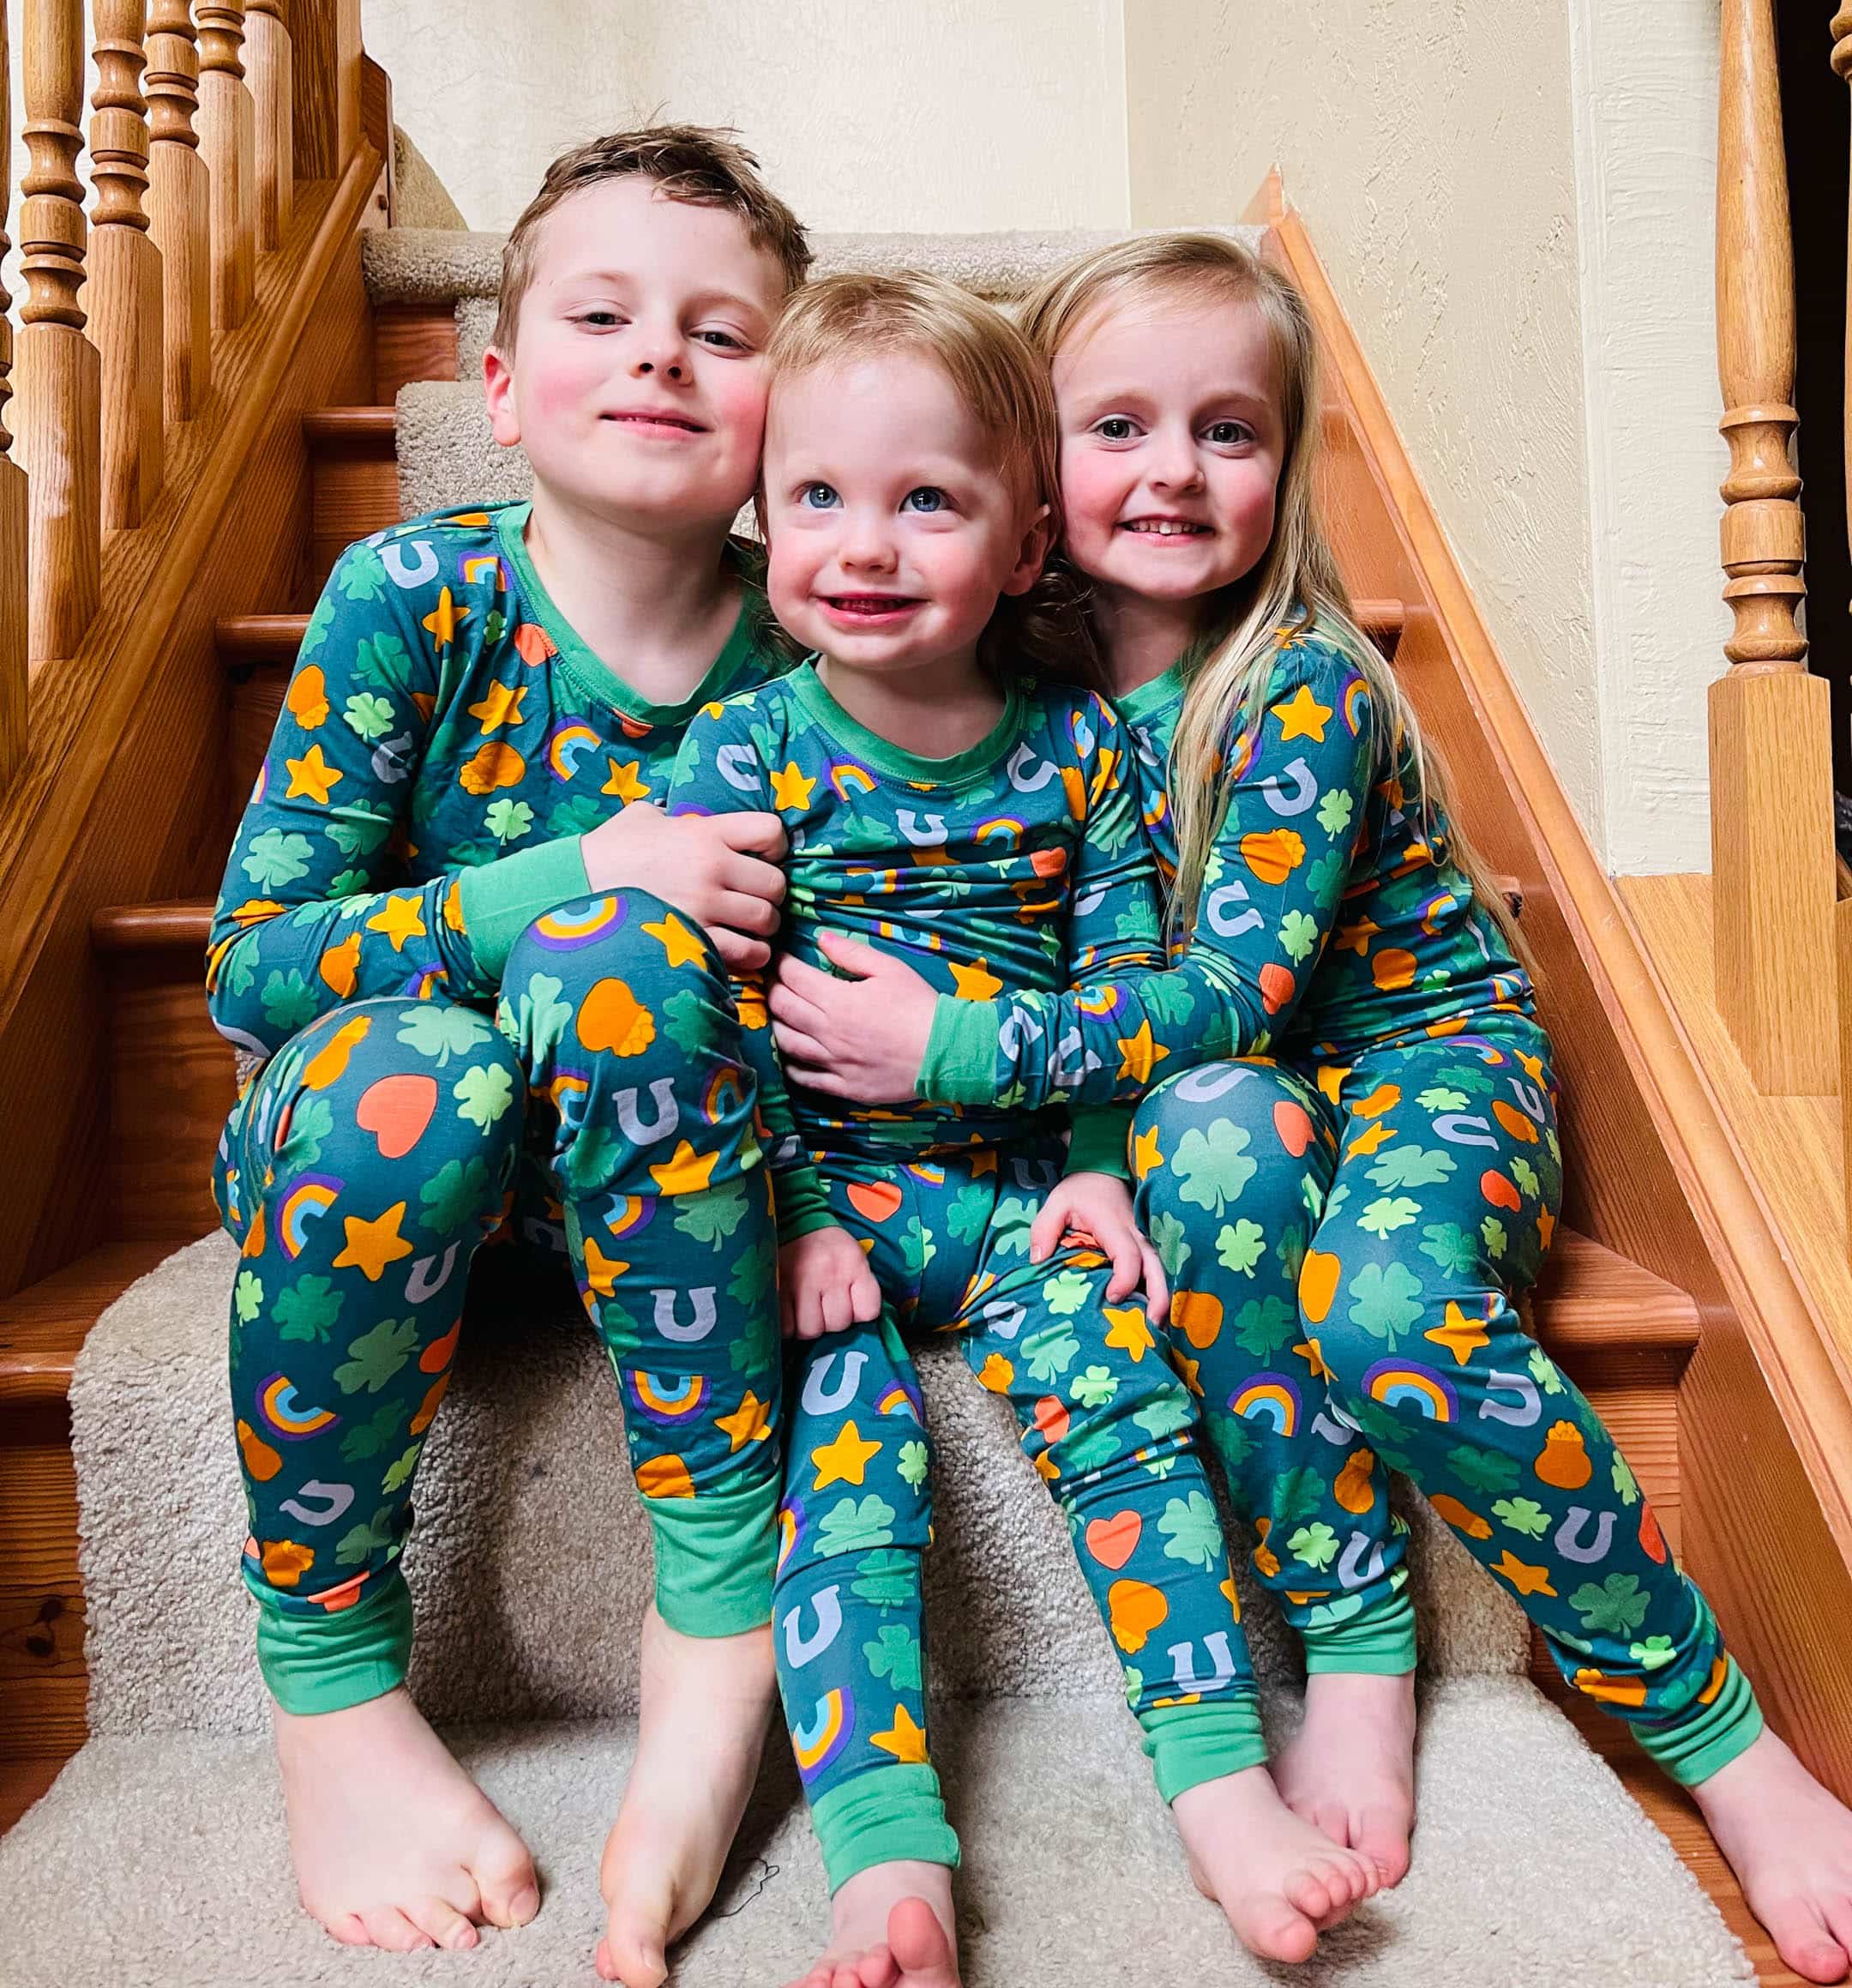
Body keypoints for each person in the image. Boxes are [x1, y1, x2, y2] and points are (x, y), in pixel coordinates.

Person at [767, 232, 1852, 1986]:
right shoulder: (1005, 676)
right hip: (1222, 1103)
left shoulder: (1301, 681)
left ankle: (1715, 1736)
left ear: (1289, 461)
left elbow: (1226, 993)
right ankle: (1351, 1614)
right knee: (1212, 1136)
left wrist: (950, 1052)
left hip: (1429, 1061)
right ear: (1029, 480)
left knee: (1389, 1310)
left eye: (1231, 430)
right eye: (1118, 426)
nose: (1176, 471)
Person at [667, 268, 1388, 1988]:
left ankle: (1222, 1791)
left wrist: (1098, 1172)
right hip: (822, 1214)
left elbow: (1119, 973)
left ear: (1024, 545)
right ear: (762, 524)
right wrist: (789, 1215)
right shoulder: (741, 750)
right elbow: (703, 1009)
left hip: (1016, 1203)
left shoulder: (1079, 752)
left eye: (928, 502)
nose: (865, 544)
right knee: (847, 1484)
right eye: (817, 497)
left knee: (1132, 1403)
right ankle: (884, 1863)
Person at [206, 127, 807, 1982]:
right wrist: (579, 872)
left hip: (687, 1166)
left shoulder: (825, 638)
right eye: (603, 316)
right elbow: (255, 967)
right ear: (495, 389)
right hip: (386, 1157)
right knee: (438, 1067)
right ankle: (329, 1677)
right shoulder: (409, 598)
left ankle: (717, 1624)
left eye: (723, 332)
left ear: (789, 408)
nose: (660, 355)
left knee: (623, 971)